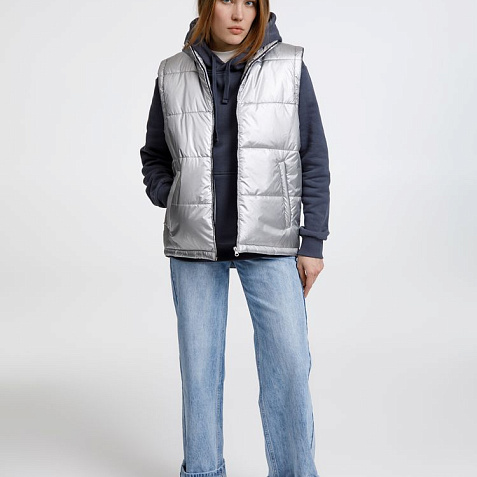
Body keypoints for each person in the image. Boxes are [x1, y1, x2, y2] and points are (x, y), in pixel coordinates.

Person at [140, 0, 330, 475]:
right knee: (199, 372)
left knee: (289, 365)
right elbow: (154, 154)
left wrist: (312, 242)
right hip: (194, 245)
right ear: (208, 5)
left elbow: (313, 157)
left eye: (250, 2)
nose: (240, 14)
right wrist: (172, 193)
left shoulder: (289, 66)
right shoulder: (172, 72)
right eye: (228, 0)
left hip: (272, 243)